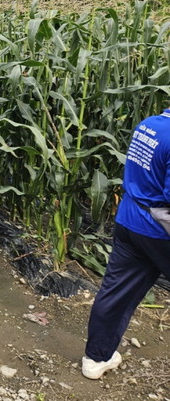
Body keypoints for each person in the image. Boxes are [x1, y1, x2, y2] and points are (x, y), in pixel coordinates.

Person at [82, 107, 170, 379]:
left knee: (116, 291)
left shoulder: (149, 124)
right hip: (160, 231)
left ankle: (96, 359)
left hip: (130, 221)